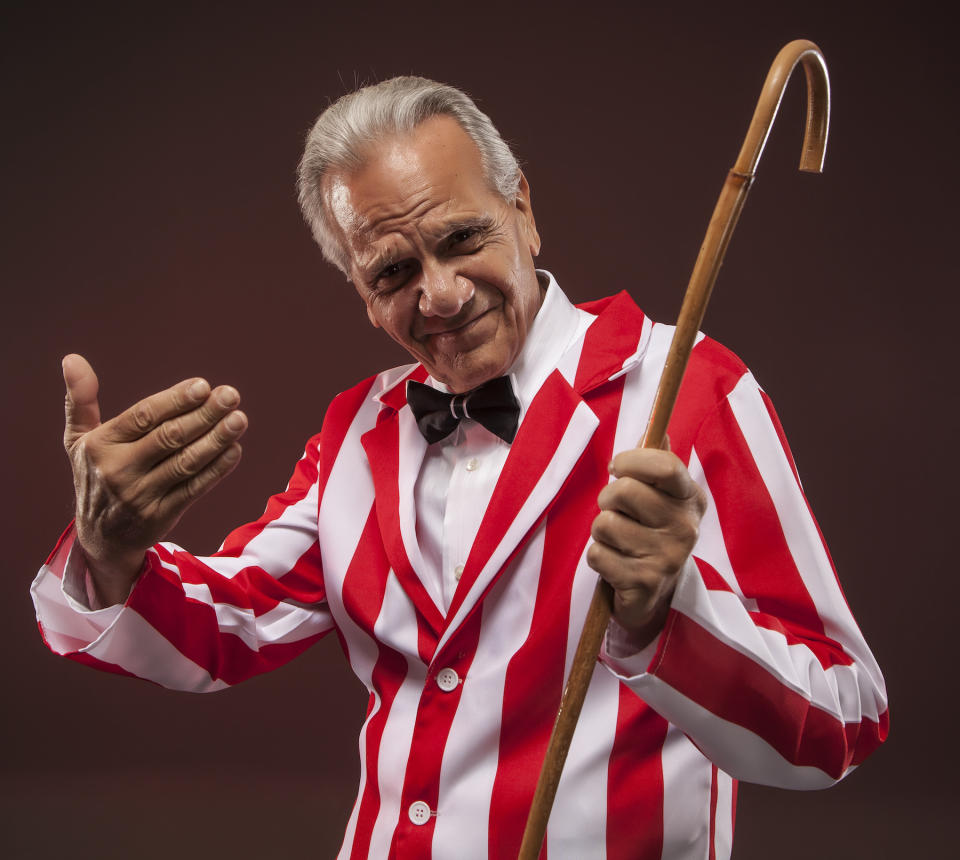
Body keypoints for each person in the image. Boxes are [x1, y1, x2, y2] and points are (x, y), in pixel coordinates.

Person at [31, 77, 888, 859]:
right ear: (362, 294)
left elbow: (844, 719)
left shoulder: (689, 388)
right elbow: (234, 625)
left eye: (462, 238)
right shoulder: (359, 425)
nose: (439, 295)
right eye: (394, 270)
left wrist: (673, 613)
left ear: (522, 208)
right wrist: (110, 552)